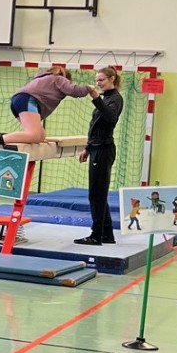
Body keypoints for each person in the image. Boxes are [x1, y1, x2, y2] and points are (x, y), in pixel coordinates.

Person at [0, 62, 92, 152]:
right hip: (27, 100)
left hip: (18, 101)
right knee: (34, 135)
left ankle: (7, 137)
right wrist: (89, 88)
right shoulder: (59, 79)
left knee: (40, 136)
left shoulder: (43, 78)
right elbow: (74, 91)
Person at [75, 65, 124, 245]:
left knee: (97, 194)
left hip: (104, 149)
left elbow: (110, 118)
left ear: (112, 79)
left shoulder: (115, 99)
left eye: (101, 80)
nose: (98, 83)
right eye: (97, 81)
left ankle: (96, 235)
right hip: (96, 148)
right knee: (97, 193)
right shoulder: (106, 98)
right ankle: (107, 234)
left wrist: (95, 97)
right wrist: (88, 148)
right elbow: (95, 127)